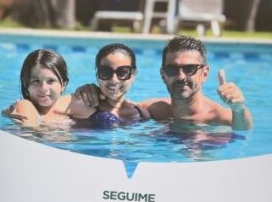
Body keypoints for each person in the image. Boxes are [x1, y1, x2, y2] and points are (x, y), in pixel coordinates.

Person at [78, 35, 252, 131]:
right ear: (163, 75)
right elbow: (117, 107)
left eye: (190, 68)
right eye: (172, 70)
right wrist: (91, 91)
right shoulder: (157, 109)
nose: (181, 76)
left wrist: (238, 109)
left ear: (204, 73)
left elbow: (243, 127)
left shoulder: (217, 116)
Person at [70, 43, 151, 126]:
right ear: (97, 74)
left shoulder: (141, 114)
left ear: (133, 75)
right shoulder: (82, 104)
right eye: (105, 71)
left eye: (122, 72)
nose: (114, 80)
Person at [3, 49, 80, 126]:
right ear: (26, 84)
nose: (43, 88)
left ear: (64, 85)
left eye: (51, 81)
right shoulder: (25, 110)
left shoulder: (73, 109)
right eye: (36, 81)